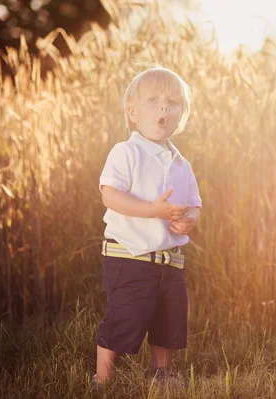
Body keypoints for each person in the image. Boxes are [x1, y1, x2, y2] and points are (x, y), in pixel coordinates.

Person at [93, 66, 202, 386]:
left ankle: (161, 371)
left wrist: (190, 220)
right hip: (129, 256)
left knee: (169, 320)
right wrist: (152, 210)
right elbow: (110, 196)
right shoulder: (126, 152)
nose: (164, 107)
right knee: (124, 317)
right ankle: (103, 378)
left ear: (181, 115)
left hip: (170, 261)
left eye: (172, 102)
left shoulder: (182, 163)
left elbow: (195, 203)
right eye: (153, 100)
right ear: (133, 112)